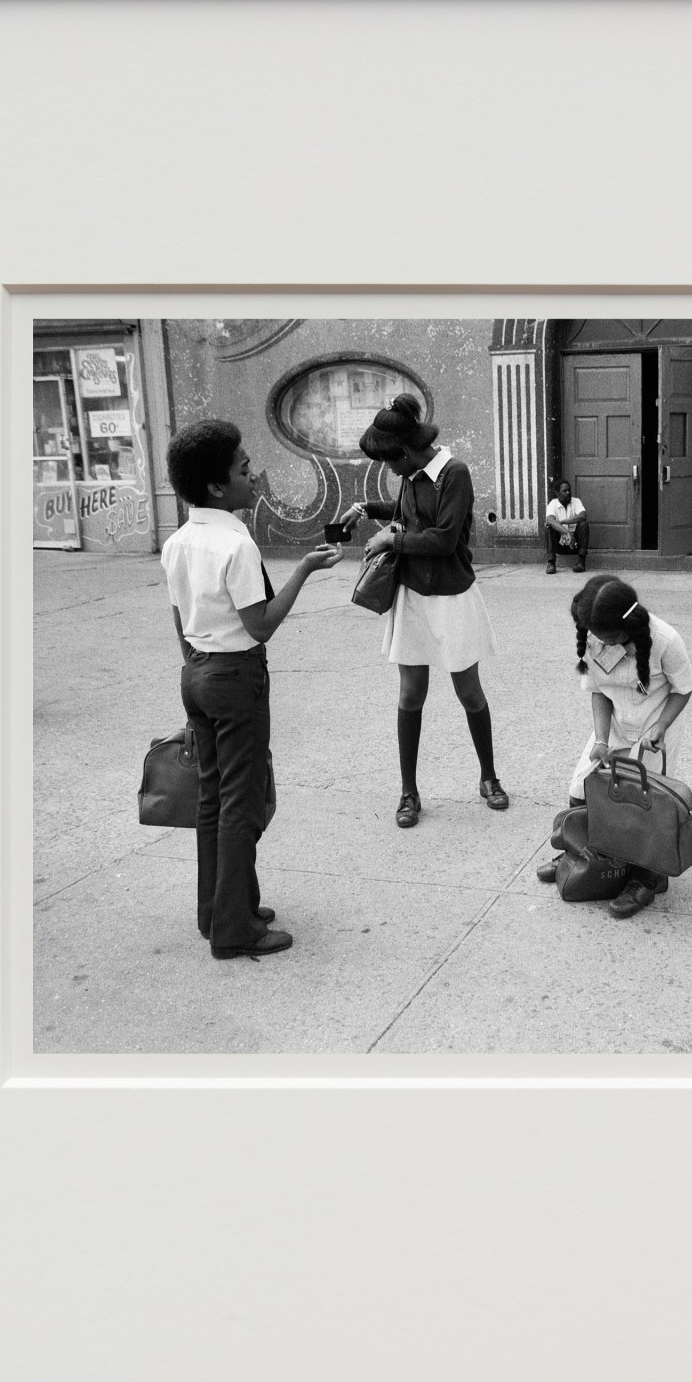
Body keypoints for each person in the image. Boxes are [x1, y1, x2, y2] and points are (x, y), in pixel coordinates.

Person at [161, 419, 340, 959]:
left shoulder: (179, 542)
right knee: (242, 802)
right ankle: (235, 930)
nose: (253, 474)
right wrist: (304, 571)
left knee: (213, 799)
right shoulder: (234, 544)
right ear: (217, 486)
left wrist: (196, 672)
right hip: (236, 677)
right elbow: (260, 624)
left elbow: (179, 619)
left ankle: (217, 910)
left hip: (197, 672)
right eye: (243, 468)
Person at [339, 393, 507, 827]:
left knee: (469, 692)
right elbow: (404, 515)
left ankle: (489, 777)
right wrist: (366, 510)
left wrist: (389, 541)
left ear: (409, 452)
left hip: (453, 596)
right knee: (411, 693)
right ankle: (409, 793)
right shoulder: (412, 474)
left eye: (390, 462)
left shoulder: (455, 473)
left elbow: (444, 538)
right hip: (412, 595)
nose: (389, 470)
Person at [537, 576, 692, 919]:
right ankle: (581, 853)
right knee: (581, 787)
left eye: (606, 636)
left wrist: (660, 727)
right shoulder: (596, 639)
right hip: (616, 726)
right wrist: (601, 740)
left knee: (645, 804)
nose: (599, 641)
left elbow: (683, 689)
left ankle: (645, 878)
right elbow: (599, 691)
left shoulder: (666, 640)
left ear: (625, 627)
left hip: (654, 728)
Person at [541, 479, 589, 574]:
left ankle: (581, 562)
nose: (568, 493)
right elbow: (550, 520)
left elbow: (583, 516)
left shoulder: (576, 501)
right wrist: (566, 532)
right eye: (564, 491)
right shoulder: (553, 504)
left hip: (575, 544)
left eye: (569, 490)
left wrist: (563, 522)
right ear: (557, 493)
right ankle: (551, 563)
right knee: (549, 528)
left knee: (584, 524)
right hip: (560, 544)